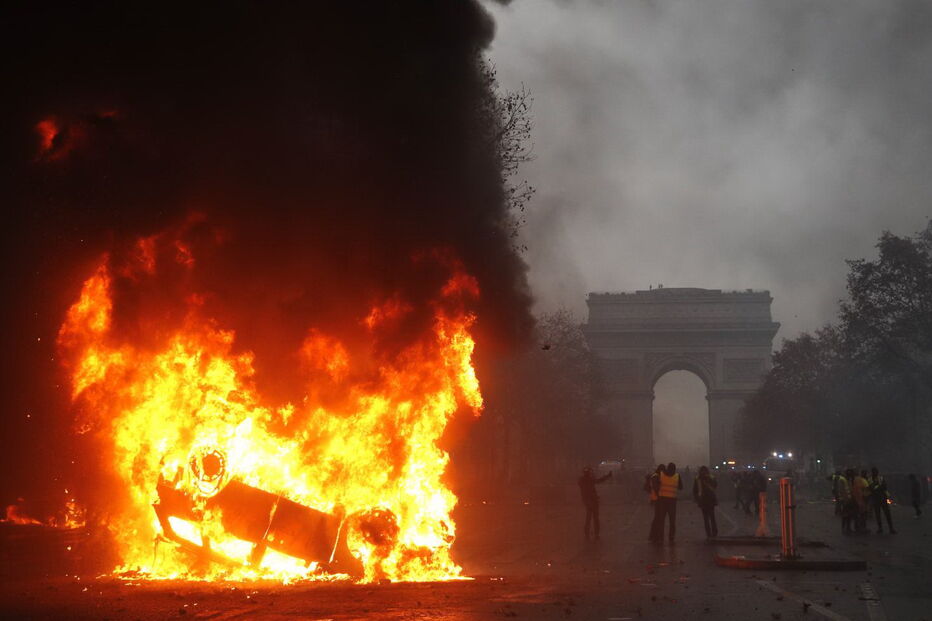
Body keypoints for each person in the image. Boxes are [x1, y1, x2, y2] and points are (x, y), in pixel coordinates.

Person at [578, 466, 612, 540]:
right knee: (594, 518)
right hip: (592, 500)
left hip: (588, 501)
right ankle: (596, 534)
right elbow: (599, 480)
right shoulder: (588, 480)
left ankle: (588, 533)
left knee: (589, 518)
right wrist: (607, 476)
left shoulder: (582, 480)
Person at [653, 462, 683, 543]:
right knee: (672, 521)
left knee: (661, 520)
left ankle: (660, 538)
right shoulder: (677, 476)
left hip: (662, 500)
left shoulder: (661, 475)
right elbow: (681, 487)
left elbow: (657, 486)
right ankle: (671, 537)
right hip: (672, 501)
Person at [692, 465, 718, 539]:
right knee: (712, 517)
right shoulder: (712, 477)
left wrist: (697, 499)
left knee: (706, 518)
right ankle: (714, 532)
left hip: (703, 500)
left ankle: (709, 534)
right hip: (711, 500)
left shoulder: (697, 479)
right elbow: (716, 486)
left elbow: (695, 490)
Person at [869, 467, 896, 534]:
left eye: (876, 471)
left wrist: (877, 487)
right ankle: (881, 528)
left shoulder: (880, 478)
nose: (876, 473)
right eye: (874, 471)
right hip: (877, 499)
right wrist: (879, 487)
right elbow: (873, 488)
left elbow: (883, 486)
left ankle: (890, 528)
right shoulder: (871, 479)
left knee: (887, 514)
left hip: (882, 498)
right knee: (878, 514)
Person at [646, 464, 665, 542]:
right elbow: (656, 488)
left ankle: (654, 535)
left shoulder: (656, 475)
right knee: (657, 519)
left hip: (657, 499)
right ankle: (653, 536)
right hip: (657, 499)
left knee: (657, 519)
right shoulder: (656, 476)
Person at [852, 469, 871, 533]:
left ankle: (857, 527)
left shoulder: (854, 480)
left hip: (856, 499)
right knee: (863, 514)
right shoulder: (862, 480)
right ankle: (862, 528)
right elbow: (867, 489)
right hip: (862, 500)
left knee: (857, 514)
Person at [839, 470, 854, 534]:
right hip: (845, 500)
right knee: (845, 515)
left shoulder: (849, 480)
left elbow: (850, 490)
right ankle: (844, 528)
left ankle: (848, 527)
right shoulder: (842, 480)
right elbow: (841, 490)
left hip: (849, 499)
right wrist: (843, 499)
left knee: (849, 514)